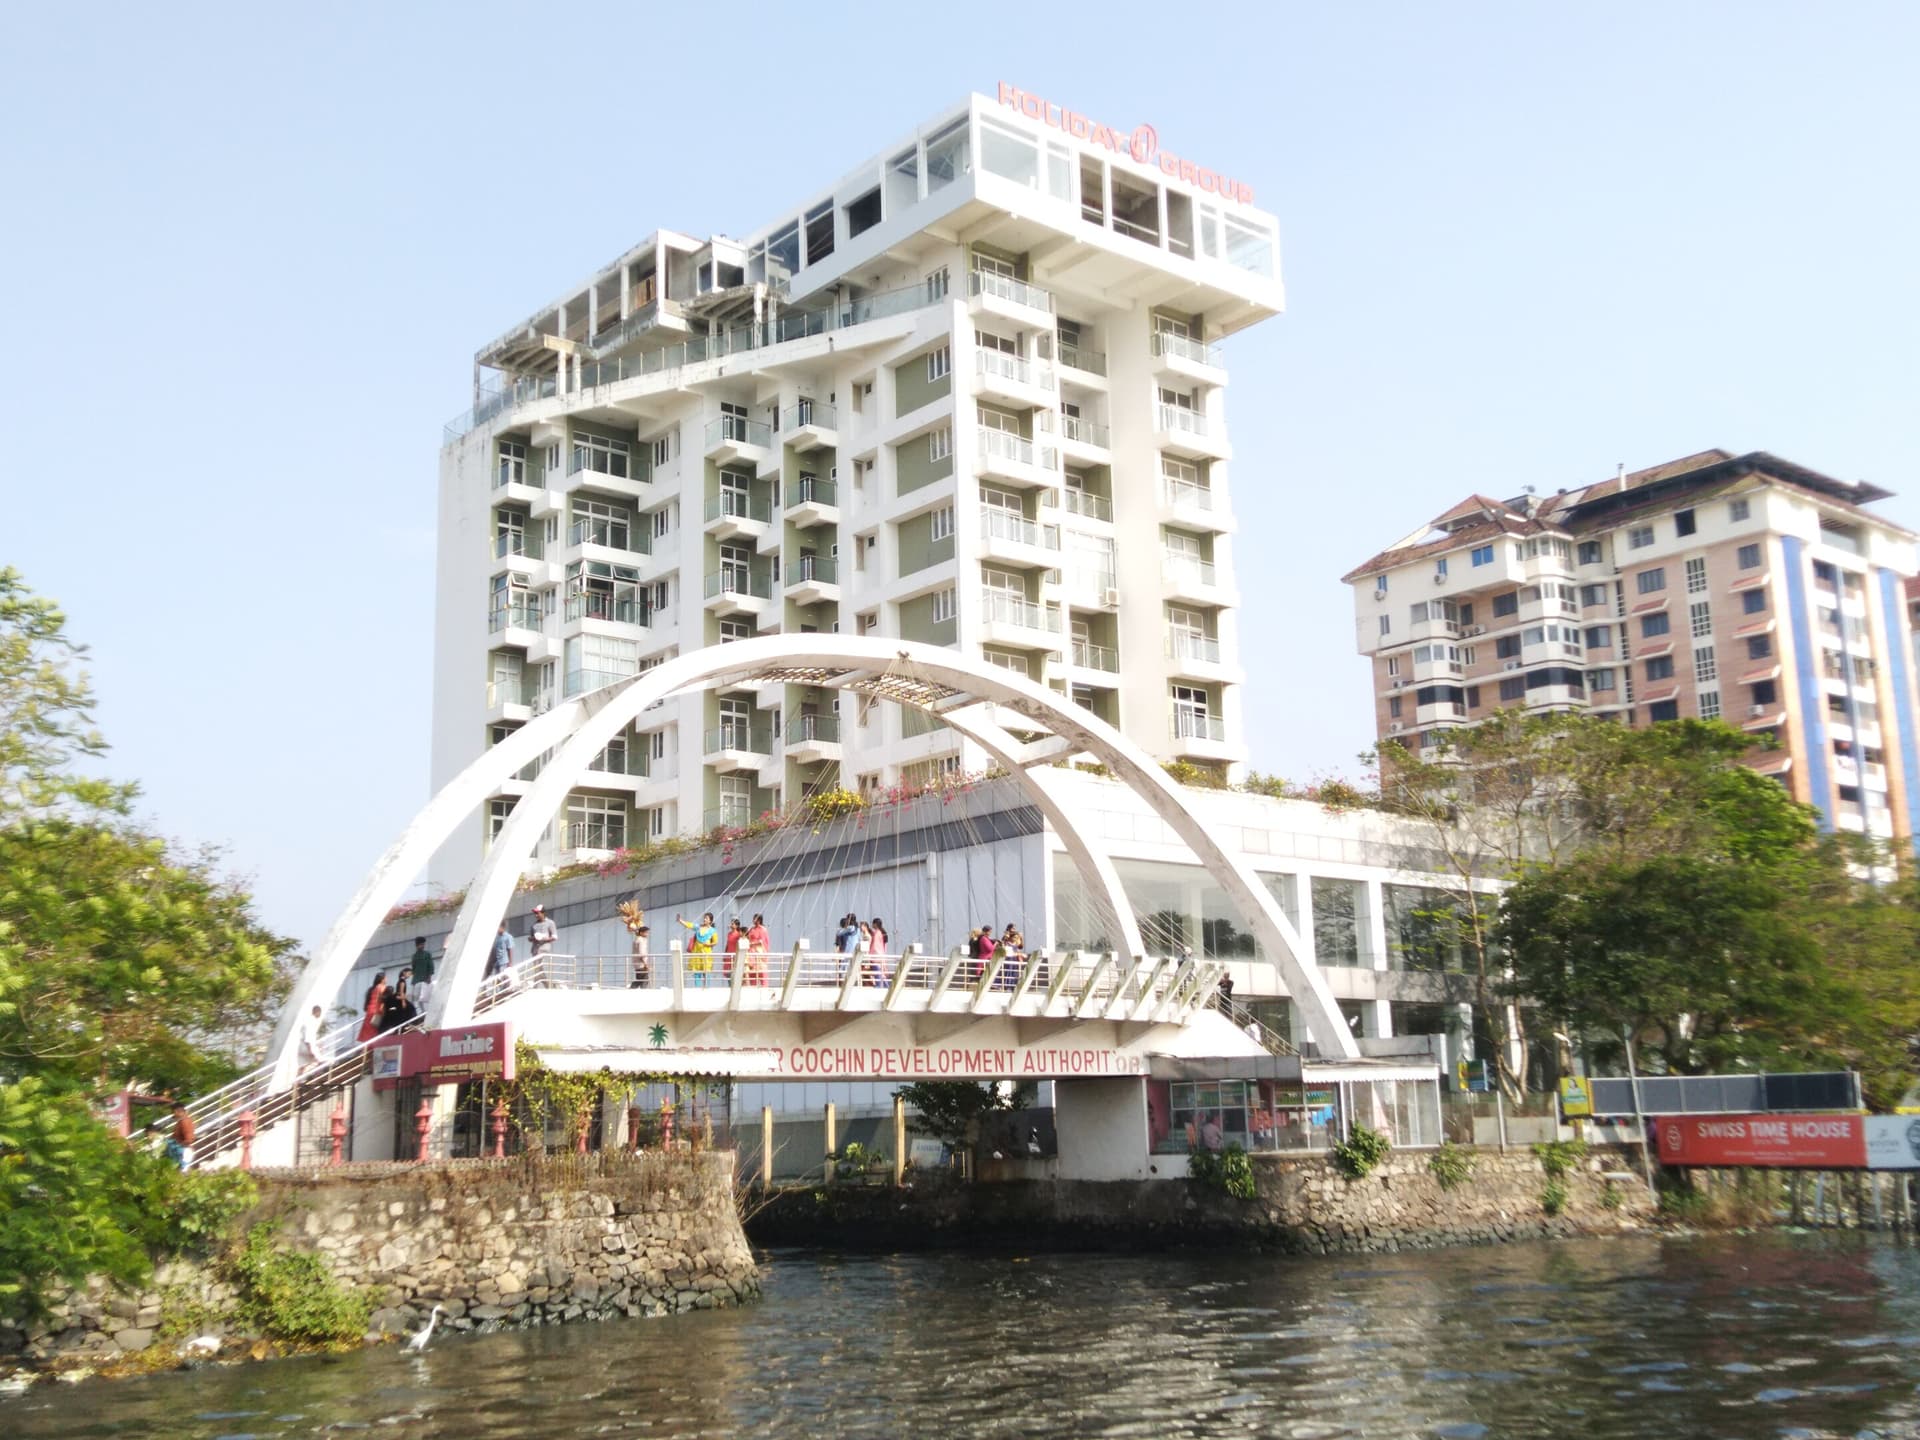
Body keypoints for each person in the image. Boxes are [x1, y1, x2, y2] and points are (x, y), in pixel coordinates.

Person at [677, 912, 717, 985]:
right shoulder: (698, 927)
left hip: (706, 953)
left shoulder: (712, 931)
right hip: (697, 953)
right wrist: (680, 921)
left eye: (706, 918)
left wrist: (709, 944)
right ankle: (697, 988)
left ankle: (707, 988)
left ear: (710, 921)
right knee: (697, 972)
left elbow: (715, 942)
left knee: (706, 972)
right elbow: (690, 925)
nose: (704, 919)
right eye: (704, 918)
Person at [357, 971, 389, 1043]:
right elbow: (383, 1000)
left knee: (367, 1032)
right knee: (374, 1031)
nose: (386, 980)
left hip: (369, 1011)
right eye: (385, 978)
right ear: (382, 979)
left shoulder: (372, 989)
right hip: (377, 1011)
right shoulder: (382, 987)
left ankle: (366, 1050)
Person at [409, 936, 437, 1011]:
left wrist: (429, 977)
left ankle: (421, 1014)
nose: (423, 946)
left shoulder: (427, 954)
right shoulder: (414, 956)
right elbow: (414, 969)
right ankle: (421, 1014)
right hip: (416, 980)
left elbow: (431, 966)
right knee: (416, 999)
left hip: (424, 980)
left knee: (421, 999)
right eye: (421, 944)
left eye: (423, 944)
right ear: (417, 945)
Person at [529, 904, 558, 974]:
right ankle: (547, 984)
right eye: (535, 913)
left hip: (544, 949)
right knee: (537, 970)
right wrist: (534, 938)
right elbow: (530, 937)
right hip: (535, 950)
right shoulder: (534, 925)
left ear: (543, 913)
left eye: (537, 913)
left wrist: (543, 938)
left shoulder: (550, 923)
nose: (536, 915)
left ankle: (538, 984)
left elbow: (555, 937)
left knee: (538, 969)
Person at [169, 1101, 197, 1171]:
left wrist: (177, 1146)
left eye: (173, 1112)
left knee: (181, 1175)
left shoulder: (185, 1122)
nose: (173, 1115)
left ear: (176, 1111)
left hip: (184, 1152)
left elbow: (189, 1139)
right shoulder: (181, 1122)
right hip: (181, 1151)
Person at [298, 1004, 327, 1069]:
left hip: (305, 1046)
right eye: (320, 1013)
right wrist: (310, 1049)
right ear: (317, 1012)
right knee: (318, 1061)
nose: (320, 1015)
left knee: (304, 1065)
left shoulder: (309, 1020)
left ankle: (302, 1077)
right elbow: (307, 1036)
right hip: (307, 1047)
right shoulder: (311, 1021)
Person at [746, 914, 770, 985]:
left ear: (759, 920)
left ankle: (764, 987)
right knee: (752, 973)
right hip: (751, 953)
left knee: (761, 972)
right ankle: (753, 987)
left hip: (759, 952)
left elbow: (761, 942)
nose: (753, 920)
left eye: (755, 919)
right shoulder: (751, 929)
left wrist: (751, 944)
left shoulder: (763, 929)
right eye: (753, 918)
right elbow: (748, 937)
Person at [628, 924, 652, 988]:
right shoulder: (641, 940)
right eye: (646, 932)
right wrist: (645, 964)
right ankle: (635, 989)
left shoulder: (638, 939)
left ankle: (633, 988)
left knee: (640, 979)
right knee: (644, 979)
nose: (647, 934)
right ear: (641, 933)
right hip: (641, 963)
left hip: (637, 963)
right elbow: (641, 953)